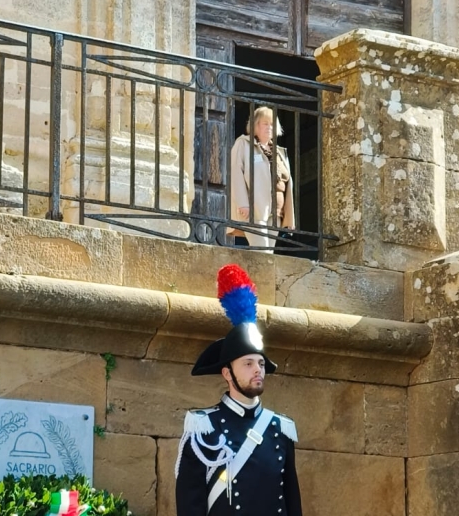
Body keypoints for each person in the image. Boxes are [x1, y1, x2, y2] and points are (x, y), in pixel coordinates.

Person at [175, 264, 301, 516]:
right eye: (248, 363)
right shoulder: (203, 428)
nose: (258, 370)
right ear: (226, 373)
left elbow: (291, 502)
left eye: (261, 363)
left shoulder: (280, 429)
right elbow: (191, 505)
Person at [228, 107, 295, 252]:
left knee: (268, 254)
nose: (269, 127)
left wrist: (289, 216)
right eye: (265, 123)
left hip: (276, 211)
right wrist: (243, 203)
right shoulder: (243, 144)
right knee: (262, 251)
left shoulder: (280, 152)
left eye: (272, 124)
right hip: (255, 210)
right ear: (255, 125)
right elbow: (235, 173)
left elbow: (287, 183)